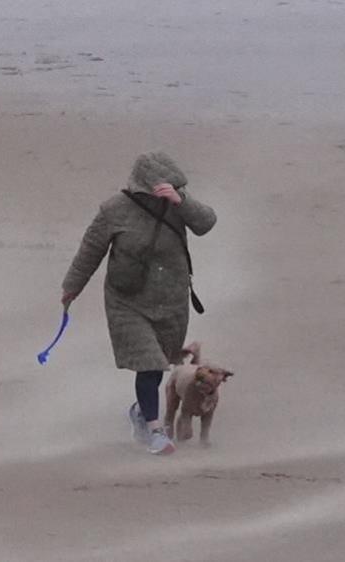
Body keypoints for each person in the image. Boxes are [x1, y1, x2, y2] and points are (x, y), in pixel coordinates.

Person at [61, 151, 217, 455]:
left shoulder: (179, 202)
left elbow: (206, 223)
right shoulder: (114, 210)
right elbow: (90, 250)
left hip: (171, 300)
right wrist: (71, 287)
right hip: (126, 299)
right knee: (149, 362)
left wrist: (180, 201)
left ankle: (140, 413)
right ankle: (154, 430)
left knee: (159, 364)